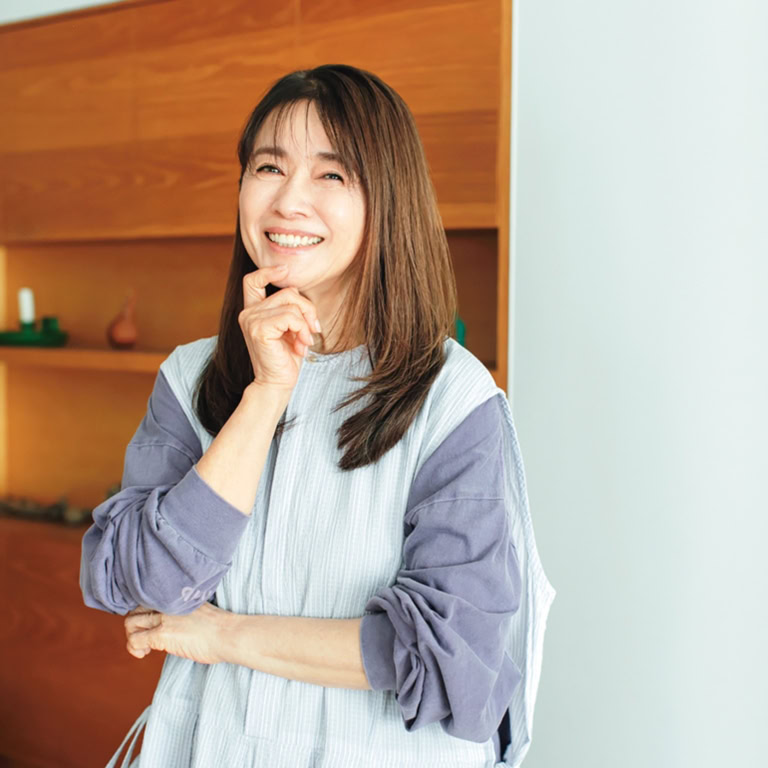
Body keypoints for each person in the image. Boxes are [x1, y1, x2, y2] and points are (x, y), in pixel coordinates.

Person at [80, 64, 556, 768]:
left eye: (331, 174)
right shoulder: (189, 377)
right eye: (269, 167)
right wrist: (266, 393)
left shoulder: (453, 399)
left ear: (386, 199)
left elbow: (454, 660)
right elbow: (141, 583)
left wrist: (224, 636)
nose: (288, 201)